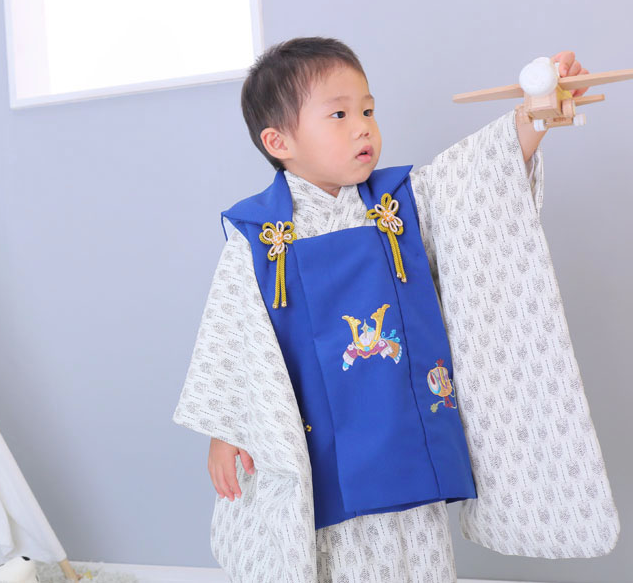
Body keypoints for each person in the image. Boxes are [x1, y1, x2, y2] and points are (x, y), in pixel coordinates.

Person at [172, 37, 619, 583]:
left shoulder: (400, 204)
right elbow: (233, 336)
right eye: (339, 114)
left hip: (403, 423)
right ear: (278, 141)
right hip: (319, 441)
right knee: (332, 554)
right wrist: (226, 429)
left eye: (368, 110)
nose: (363, 127)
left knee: (416, 554)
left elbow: (476, 181)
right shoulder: (259, 236)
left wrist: (536, 112)